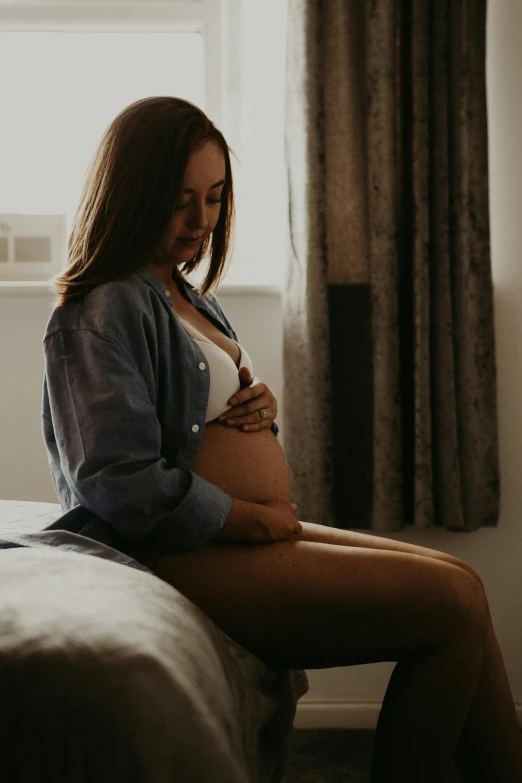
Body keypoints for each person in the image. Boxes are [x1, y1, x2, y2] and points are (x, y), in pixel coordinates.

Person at [4, 96, 521, 782]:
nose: (201, 221)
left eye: (215, 198)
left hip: (229, 535)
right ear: (131, 193)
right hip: (179, 549)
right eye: (180, 199)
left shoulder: (184, 292)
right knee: (450, 606)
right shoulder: (100, 307)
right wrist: (246, 517)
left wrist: (256, 403)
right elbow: (117, 479)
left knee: (462, 584)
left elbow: (197, 414)